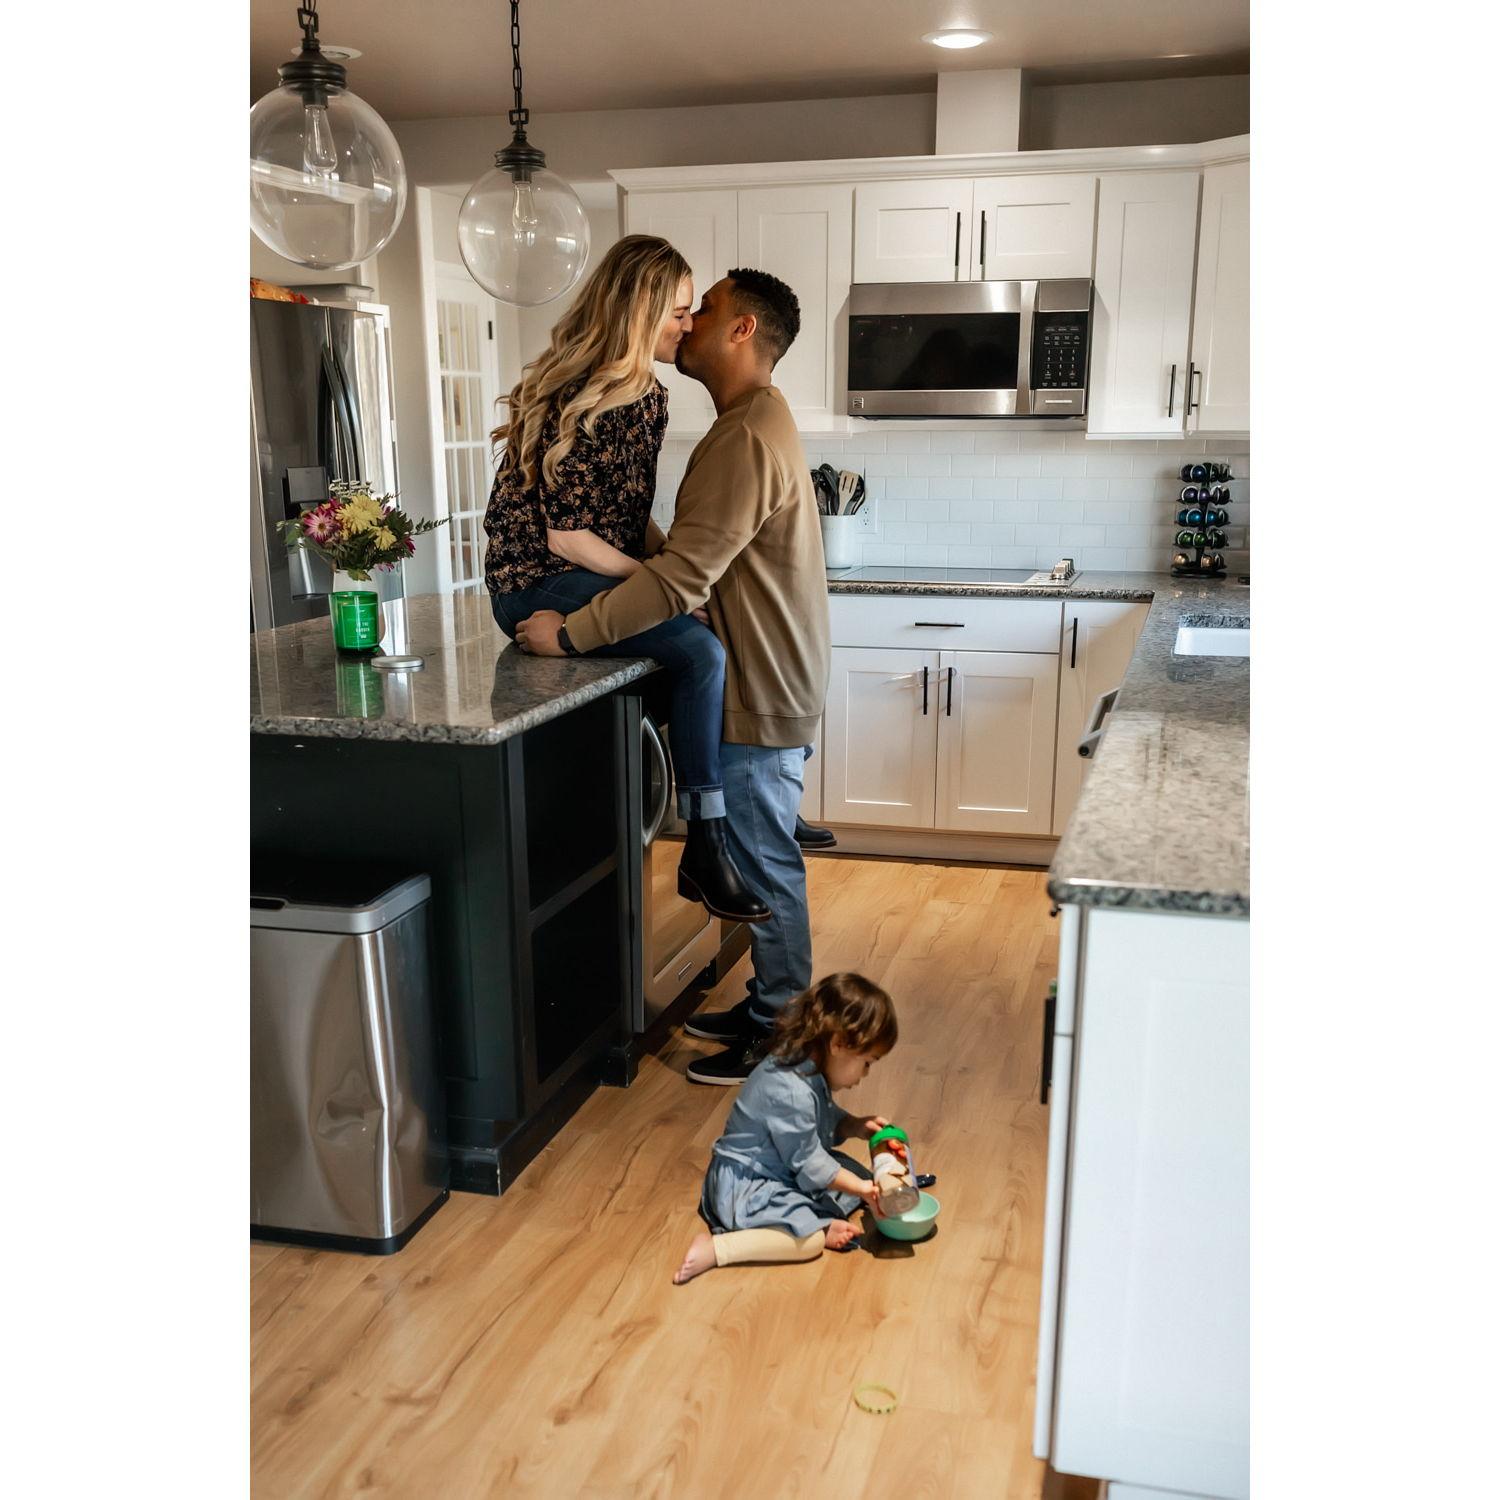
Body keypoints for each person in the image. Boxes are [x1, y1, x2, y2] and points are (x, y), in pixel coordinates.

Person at [515, 266, 830, 1085]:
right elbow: (691, 550)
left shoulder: (746, 435)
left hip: (757, 688)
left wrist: (572, 634)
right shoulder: (752, 423)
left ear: (742, 332)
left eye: (706, 309)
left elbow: (683, 579)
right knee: (766, 858)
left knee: (766, 869)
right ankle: (772, 1006)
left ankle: (787, 1040)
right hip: (769, 678)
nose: (686, 323)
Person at [484, 235, 768, 925]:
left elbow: (628, 517)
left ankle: (734, 813)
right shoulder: (595, 394)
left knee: (702, 635)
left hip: (584, 573)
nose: (688, 324)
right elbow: (567, 535)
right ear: (639, 312)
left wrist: (678, 574)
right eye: (676, 311)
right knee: (700, 651)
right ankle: (706, 843)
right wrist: (662, 584)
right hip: (535, 583)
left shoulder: (646, 395)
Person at [671, 973, 897, 1284]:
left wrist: (854, 1125)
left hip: (776, 1167)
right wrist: (862, 1190)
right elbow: (811, 1164)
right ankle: (718, 1249)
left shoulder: (806, 1065)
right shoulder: (790, 1089)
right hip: (745, 1185)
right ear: (837, 1044)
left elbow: (820, 1118)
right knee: (811, 1243)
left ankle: (816, 1221)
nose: (867, 1073)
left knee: (852, 1177)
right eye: (867, 1062)